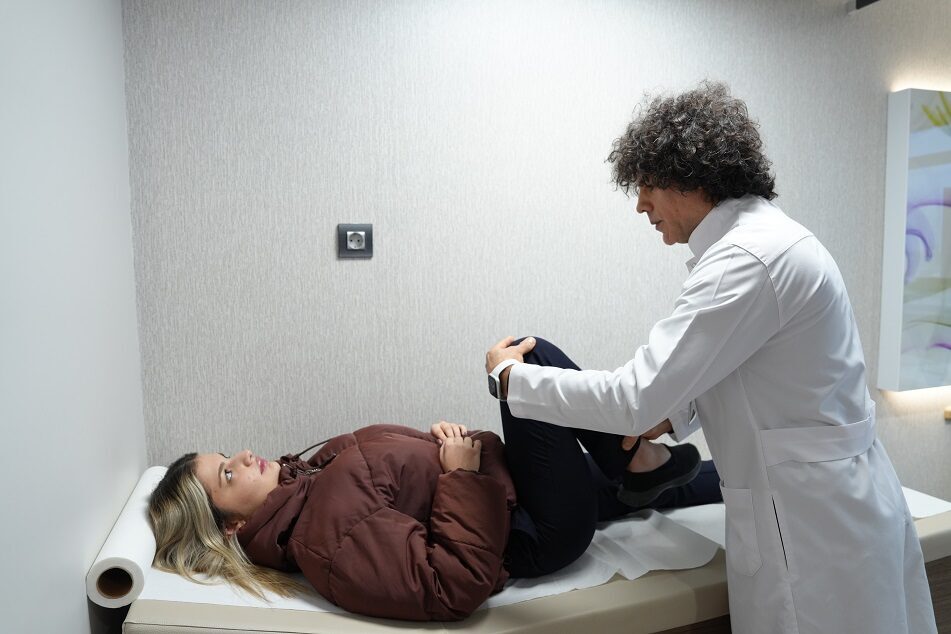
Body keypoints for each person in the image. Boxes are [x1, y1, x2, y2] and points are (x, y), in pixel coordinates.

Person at [484, 81, 938, 634]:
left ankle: (645, 465)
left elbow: (633, 398)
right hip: (828, 504)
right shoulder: (766, 243)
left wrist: (509, 378)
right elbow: (742, 368)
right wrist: (674, 414)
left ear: (690, 176)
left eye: (646, 185)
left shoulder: (746, 260)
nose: (640, 204)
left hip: (812, 529)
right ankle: (647, 465)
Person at [148, 338, 720, 622]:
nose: (244, 455)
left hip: (509, 489)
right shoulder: (322, 539)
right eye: (227, 473)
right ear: (232, 527)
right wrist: (460, 476)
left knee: (694, 482)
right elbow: (451, 584)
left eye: (226, 454)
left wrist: (446, 445)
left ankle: (651, 471)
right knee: (523, 362)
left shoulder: (308, 481)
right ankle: (638, 462)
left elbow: (409, 490)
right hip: (532, 528)